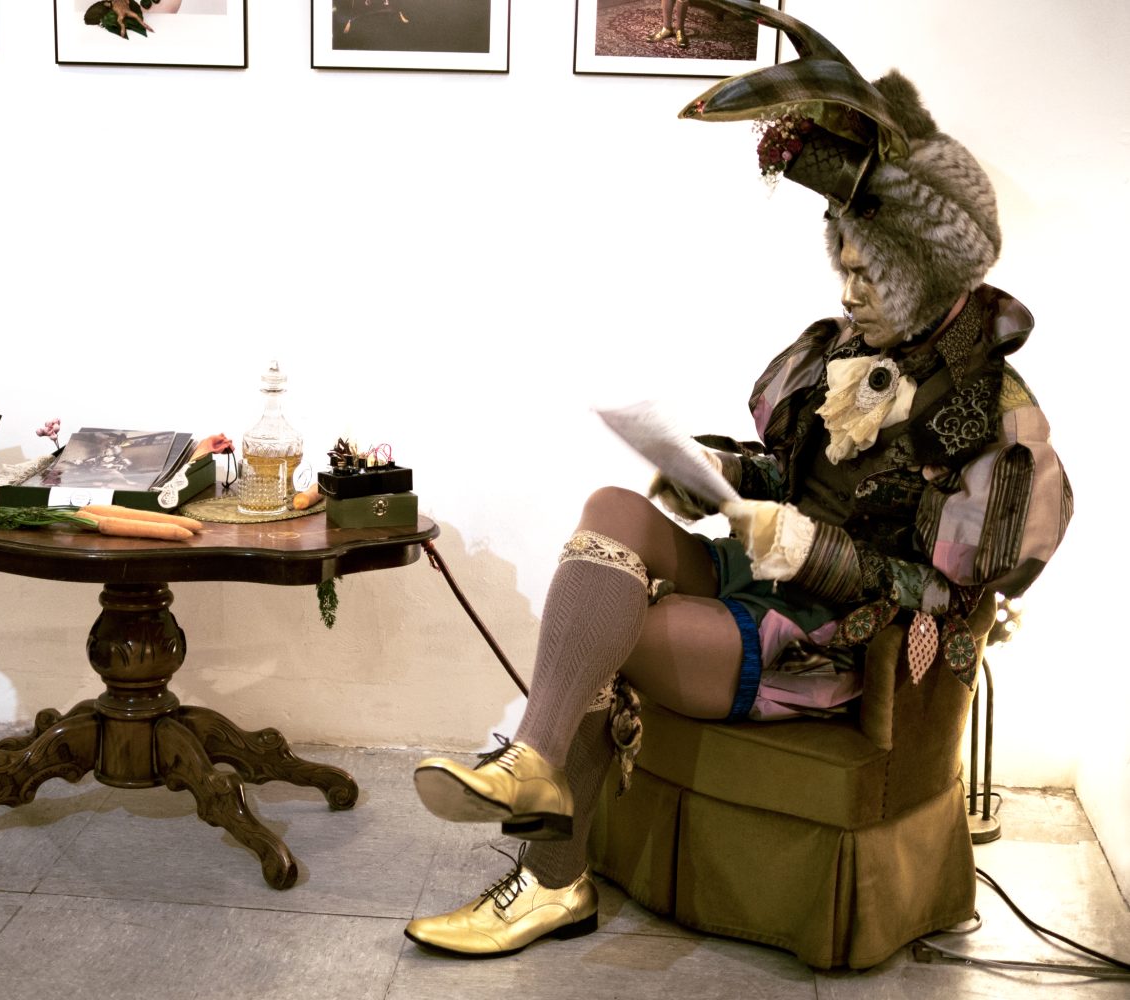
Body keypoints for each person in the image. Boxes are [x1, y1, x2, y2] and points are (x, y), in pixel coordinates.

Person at [404, 0, 1071, 959]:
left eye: (870, 276)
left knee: (613, 636)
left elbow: (945, 592)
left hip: (833, 642)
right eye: (843, 266)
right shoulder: (835, 352)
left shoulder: (996, 419)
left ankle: (550, 880)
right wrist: (715, 473)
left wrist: (808, 546)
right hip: (757, 580)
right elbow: (786, 470)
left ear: (930, 274)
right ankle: (536, 763)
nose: (847, 292)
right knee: (611, 509)